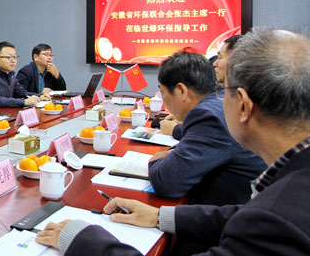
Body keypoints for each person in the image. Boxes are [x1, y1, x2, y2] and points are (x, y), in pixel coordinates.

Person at [36, 28, 310, 256]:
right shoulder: (294, 181)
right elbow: (242, 215)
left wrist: (83, 240)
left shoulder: (280, 215)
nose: (218, 99)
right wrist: (161, 217)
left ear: (243, 106)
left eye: (223, 90)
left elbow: (261, 221)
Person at [146, 50, 265, 207]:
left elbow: (167, 182)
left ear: (181, 91)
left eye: (162, 92)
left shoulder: (207, 117)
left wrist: (155, 160)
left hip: (231, 214)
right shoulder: (219, 100)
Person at [161, 35, 243, 139]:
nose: (214, 64)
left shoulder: (209, 111)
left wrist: (176, 129)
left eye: (220, 57)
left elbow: (210, 134)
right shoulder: (222, 96)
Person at [0, 41, 49, 108]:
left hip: (7, 114)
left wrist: (39, 96)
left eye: (15, 57)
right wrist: (24, 102)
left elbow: (22, 93)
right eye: (9, 57)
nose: (13, 61)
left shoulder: (10, 75)